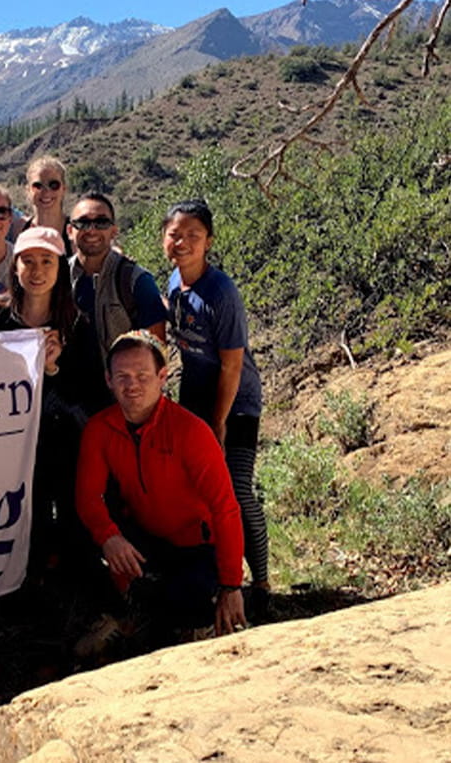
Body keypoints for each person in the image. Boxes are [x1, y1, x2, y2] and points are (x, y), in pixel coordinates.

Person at [76, 330, 247, 645]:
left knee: (186, 601)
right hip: (146, 537)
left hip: (196, 544)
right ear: (108, 380)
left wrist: (231, 586)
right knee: (81, 538)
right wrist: (108, 537)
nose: (132, 385)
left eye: (143, 375)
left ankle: (190, 617)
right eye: (122, 376)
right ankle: (122, 614)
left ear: (162, 376)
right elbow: (88, 497)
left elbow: (225, 507)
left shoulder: (190, 431)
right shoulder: (100, 429)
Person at [162, 199, 269, 606]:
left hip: (236, 402)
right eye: (175, 234)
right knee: (200, 494)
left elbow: (232, 365)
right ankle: (217, 576)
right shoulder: (175, 284)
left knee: (238, 490)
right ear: (164, 240)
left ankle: (260, 583)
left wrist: (218, 423)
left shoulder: (220, 292)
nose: (183, 242)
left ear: (209, 241)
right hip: (196, 399)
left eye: (193, 235)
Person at [0, 227, 93, 576]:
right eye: (28, 261)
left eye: (46, 261)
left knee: (69, 524)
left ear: (60, 267)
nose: (36, 271)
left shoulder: (79, 326)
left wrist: (52, 369)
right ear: (14, 266)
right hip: (11, 450)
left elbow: (89, 397)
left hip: (63, 449)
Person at [67, 192, 168, 387]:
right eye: (83, 223)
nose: (92, 230)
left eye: (101, 222)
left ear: (114, 231)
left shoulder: (135, 280)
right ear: (70, 231)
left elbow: (157, 350)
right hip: (69, 398)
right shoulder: (59, 278)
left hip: (122, 397)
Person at [18, 156, 72, 255]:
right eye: (38, 186)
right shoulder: (18, 229)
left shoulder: (74, 231)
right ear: (28, 190)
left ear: (64, 189)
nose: (46, 192)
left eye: (53, 185)